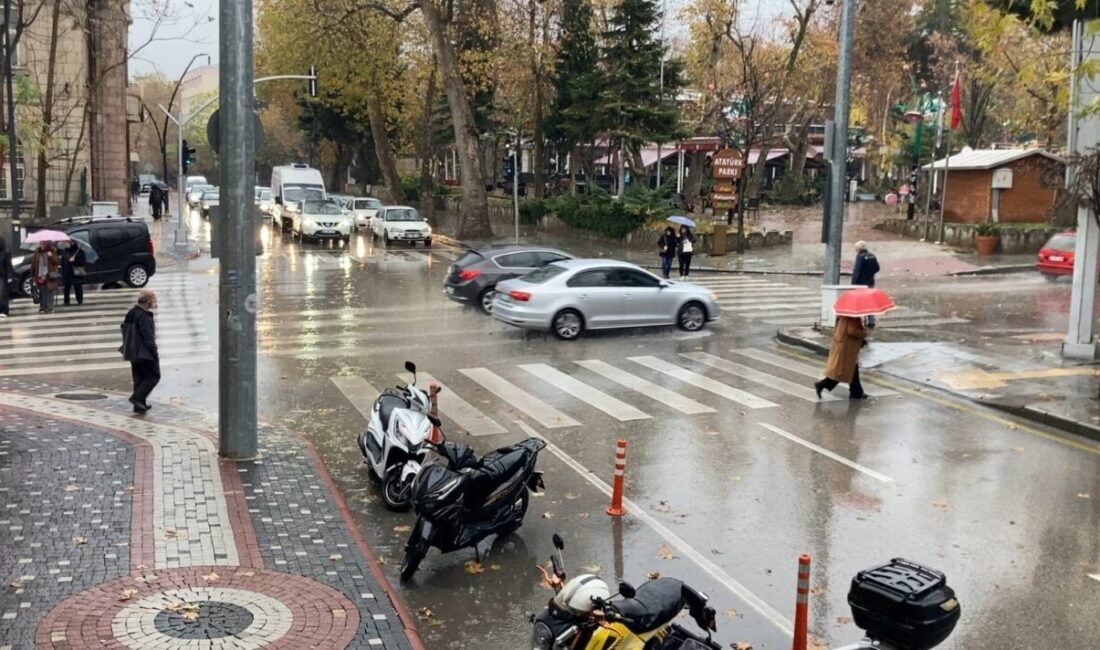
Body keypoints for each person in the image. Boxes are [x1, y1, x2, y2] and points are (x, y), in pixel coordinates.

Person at [122, 289, 159, 413]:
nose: (154, 302)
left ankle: (139, 405)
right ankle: (137, 398)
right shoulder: (144, 316)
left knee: (139, 377)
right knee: (153, 376)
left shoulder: (131, 313)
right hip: (144, 353)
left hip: (132, 351)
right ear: (148, 301)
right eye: (153, 300)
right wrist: (154, 352)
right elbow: (149, 338)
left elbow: (124, 330)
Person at [814, 315, 868, 400]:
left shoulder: (843, 315)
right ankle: (822, 384)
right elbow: (852, 331)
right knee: (843, 371)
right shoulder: (852, 317)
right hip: (847, 348)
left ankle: (856, 392)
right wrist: (864, 333)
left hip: (843, 345)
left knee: (850, 369)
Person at [851, 241, 881, 328]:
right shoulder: (872, 255)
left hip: (860, 283)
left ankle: (858, 320)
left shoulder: (860, 257)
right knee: (870, 301)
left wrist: (853, 283)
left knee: (859, 302)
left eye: (856, 248)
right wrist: (870, 274)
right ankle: (871, 320)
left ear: (859, 249)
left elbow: (857, 270)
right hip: (870, 282)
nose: (855, 250)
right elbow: (877, 268)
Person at [31, 242, 60, 313]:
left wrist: (51, 256)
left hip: (50, 274)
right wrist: (32, 276)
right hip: (40, 275)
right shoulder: (37, 252)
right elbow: (33, 264)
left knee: (50, 291)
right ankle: (42, 307)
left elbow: (57, 262)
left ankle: (50, 307)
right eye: (40, 243)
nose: (41, 245)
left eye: (43, 243)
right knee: (42, 291)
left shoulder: (52, 251)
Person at [0, 235, 11, 317]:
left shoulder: (6, 252)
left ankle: (4, 310)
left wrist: (9, 276)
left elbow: (8, 265)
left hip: (2, 276)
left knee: (2, 293)